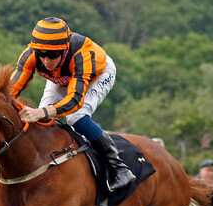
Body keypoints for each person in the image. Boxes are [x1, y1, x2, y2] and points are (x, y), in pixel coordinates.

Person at [10, 17, 135, 191]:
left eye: (53, 55)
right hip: (63, 76)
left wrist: (42, 112)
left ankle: (119, 167)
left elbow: (75, 101)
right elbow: (11, 90)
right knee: (43, 121)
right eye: (41, 54)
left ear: (65, 49)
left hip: (96, 74)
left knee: (75, 118)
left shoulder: (82, 54)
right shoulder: (30, 54)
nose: (46, 61)